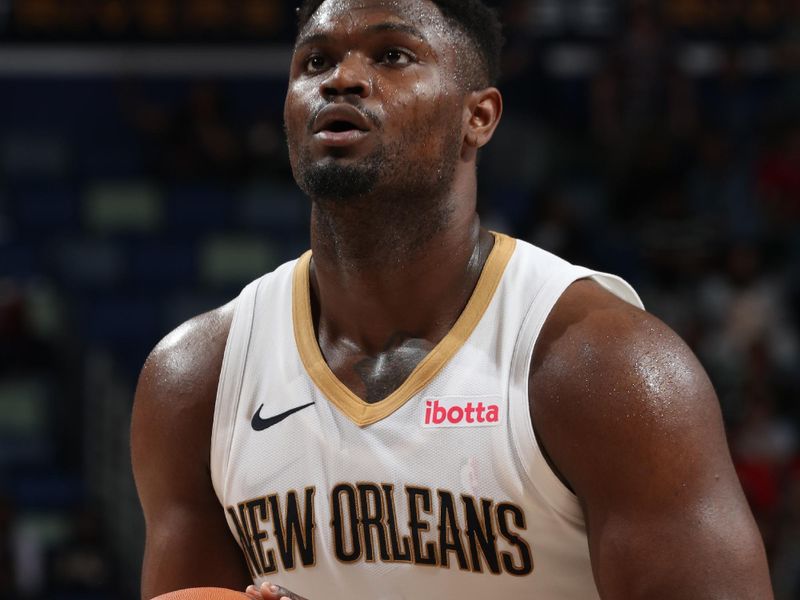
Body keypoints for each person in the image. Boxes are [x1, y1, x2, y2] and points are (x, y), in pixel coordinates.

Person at [130, 0, 774, 598]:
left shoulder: (607, 366)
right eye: (316, 61)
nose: (342, 79)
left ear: (479, 117)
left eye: (392, 56)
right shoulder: (198, 379)